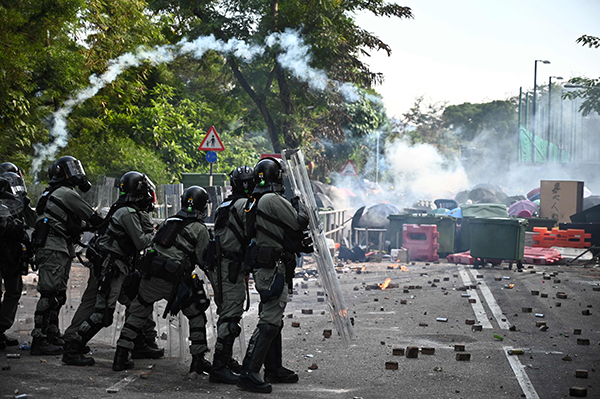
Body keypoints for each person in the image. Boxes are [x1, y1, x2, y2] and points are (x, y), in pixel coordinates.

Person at [61, 171, 158, 366]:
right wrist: (160, 236)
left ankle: (137, 343)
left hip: (109, 264)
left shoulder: (123, 208)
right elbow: (141, 242)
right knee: (102, 312)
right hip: (111, 267)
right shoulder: (127, 213)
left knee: (134, 303)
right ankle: (73, 349)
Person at [112, 186, 211, 373]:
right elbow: (202, 259)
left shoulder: (169, 221)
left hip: (151, 276)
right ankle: (198, 360)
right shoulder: (200, 229)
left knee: (137, 313)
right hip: (176, 281)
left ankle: (120, 356)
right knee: (197, 315)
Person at [237, 157, 310, 394]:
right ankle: (249, 372)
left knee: (273, 318)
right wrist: (301, 205)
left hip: (268, 264)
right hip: (271, 267)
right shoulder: (271, 199)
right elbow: (298, 223)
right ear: (276, 176)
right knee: (269, 321)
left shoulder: (258, 198)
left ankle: (273, 368)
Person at [30, 156, 103, 356]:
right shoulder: (66, 193)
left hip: (57, 246)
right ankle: (39, 339)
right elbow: (92, 217)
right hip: (53, 246)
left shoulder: (52, 192)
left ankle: (51, 334)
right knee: (49, 293)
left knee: (58, 294)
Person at [207, 166, 255, 384]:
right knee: (230, 317)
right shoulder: (245, 206)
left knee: (227, 312)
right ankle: (218, 367)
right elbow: (252, 233)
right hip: (231, 266)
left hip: (222, 266)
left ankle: (224, 361)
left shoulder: (224, 205)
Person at [0, 163, 35, 350]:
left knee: (14, 292)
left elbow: (32, 221)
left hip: (12, 253)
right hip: (4, 250)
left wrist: (25, 201)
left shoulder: (18, 200)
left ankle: (0, 329)